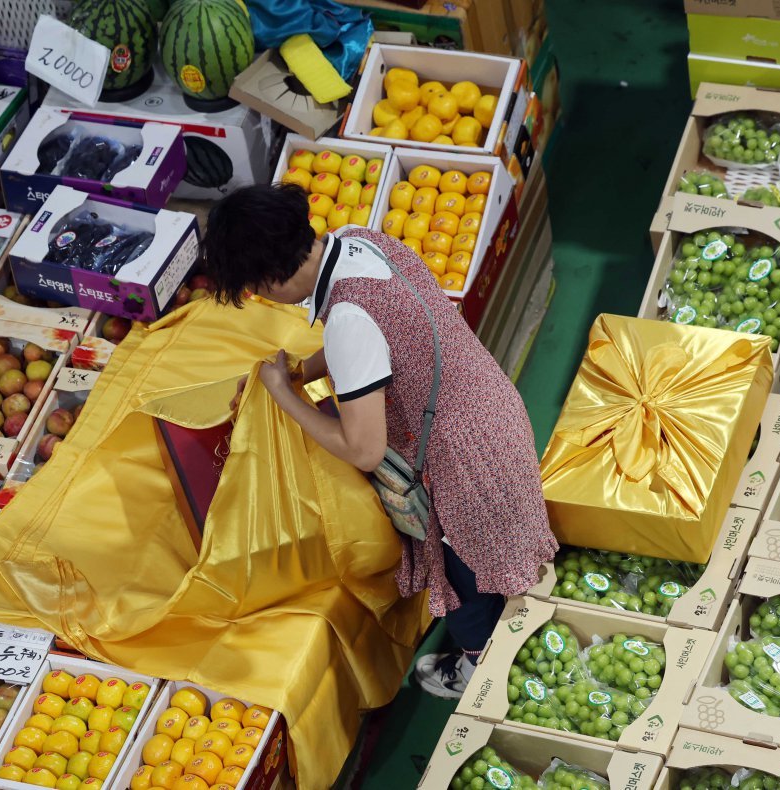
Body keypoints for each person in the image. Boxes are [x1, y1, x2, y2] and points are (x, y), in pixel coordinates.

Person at [201, 183, 558, 699]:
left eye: (255, 287)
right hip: (492, 411)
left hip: (461, 466)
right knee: (497, 560)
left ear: (271, 278)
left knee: (467, 583)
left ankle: (484, 671)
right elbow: (375, 341)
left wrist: (286, 397)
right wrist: (305, 371)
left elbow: (363, 448)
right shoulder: (358, 241)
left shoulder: (348, 318)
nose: (260, 298)